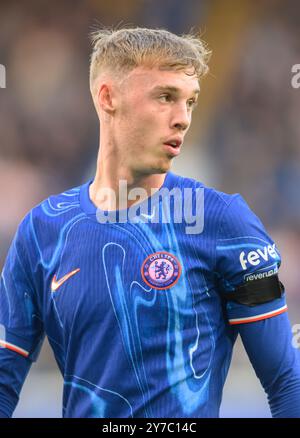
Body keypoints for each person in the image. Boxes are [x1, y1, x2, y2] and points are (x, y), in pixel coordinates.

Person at [0, 27, 300, 419]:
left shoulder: (224, 222)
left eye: (190, 102)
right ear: (108, 97)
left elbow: (286, 381)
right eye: (165, 97)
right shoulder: (41, 231)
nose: (183, 119)